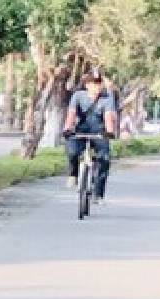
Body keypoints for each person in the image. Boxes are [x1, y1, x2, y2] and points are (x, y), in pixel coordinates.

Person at [65, 68, 118, 201]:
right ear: (87, 85)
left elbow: (108, 116)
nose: (97, 86)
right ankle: (73, 174)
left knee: (104, 159)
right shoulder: (78, 96)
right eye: (94, 83)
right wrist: (67, 129)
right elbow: (71, 114)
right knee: (72, 151)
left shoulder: (107, 98)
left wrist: (110, 132)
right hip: (81, 130)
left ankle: (98, 194)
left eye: (99, 83)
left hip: (100, 132)